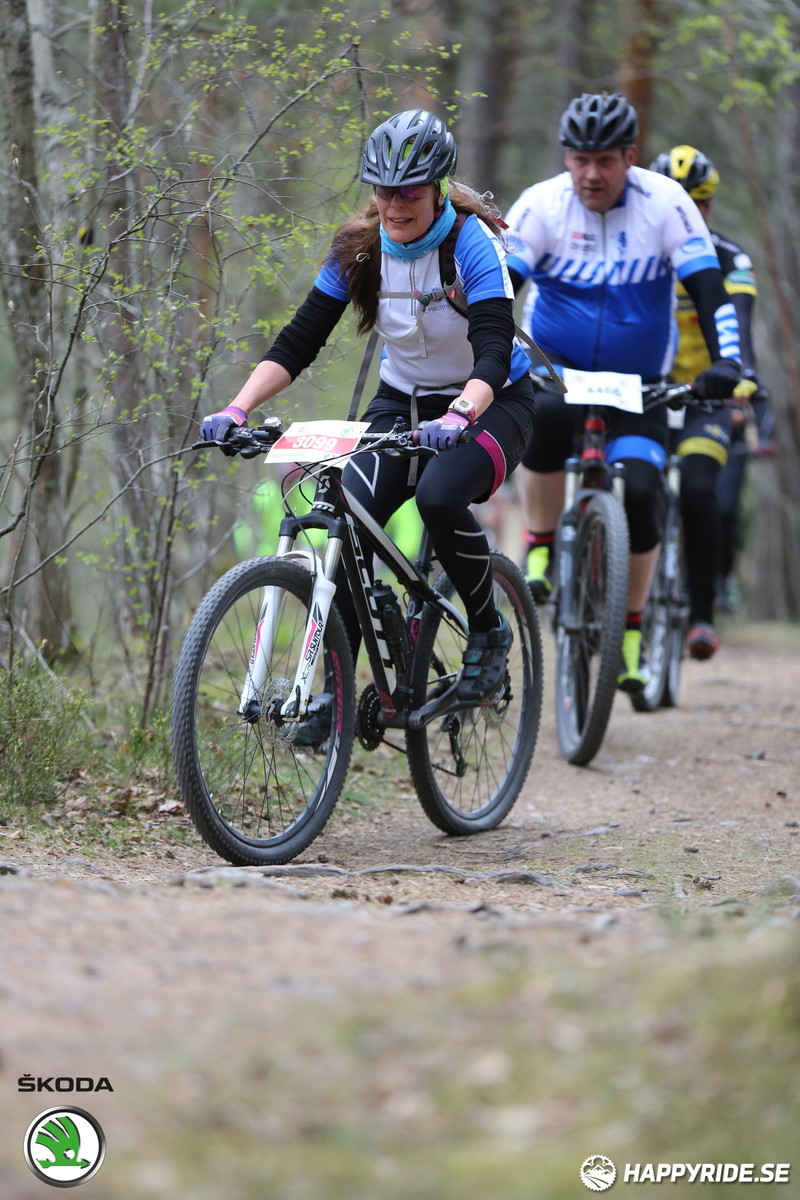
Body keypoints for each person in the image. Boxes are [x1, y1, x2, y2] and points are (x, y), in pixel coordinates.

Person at [200, 108, 537, 708]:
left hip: (491, 403)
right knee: (348, 515)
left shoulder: (471, 245)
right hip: (402, 402)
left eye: (409, 190)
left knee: (438, 496)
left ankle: (488, 628)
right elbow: (299, 340)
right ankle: (336, 695)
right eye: (384, 189)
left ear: (436, 189)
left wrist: (460, 413)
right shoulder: (358, 250)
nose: (395, 203)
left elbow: (492, 349)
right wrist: (237, 407)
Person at [503, 92, 742, 691]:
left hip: (640, 380)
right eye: (579, 160)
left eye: (605, 161)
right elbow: (499, 288)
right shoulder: (541, 205)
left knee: (640, 492)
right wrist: (486, 356)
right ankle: (538, 546)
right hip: (557, 361)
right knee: (547, 416)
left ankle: (629, 628)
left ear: (630, 157)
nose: (590, 174)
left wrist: (729, 361)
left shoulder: (667, 204)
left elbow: (711, 291)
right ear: (566, 157)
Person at [650, 144, 773, 635]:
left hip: (708, 395)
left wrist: (738, 369)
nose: (686, 212)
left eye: (697, 202)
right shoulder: (643, 252)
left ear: (710, 205)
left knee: (702, 490)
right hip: (651, 390)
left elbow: (739, 324)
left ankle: (702, 614)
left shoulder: (729, 257)